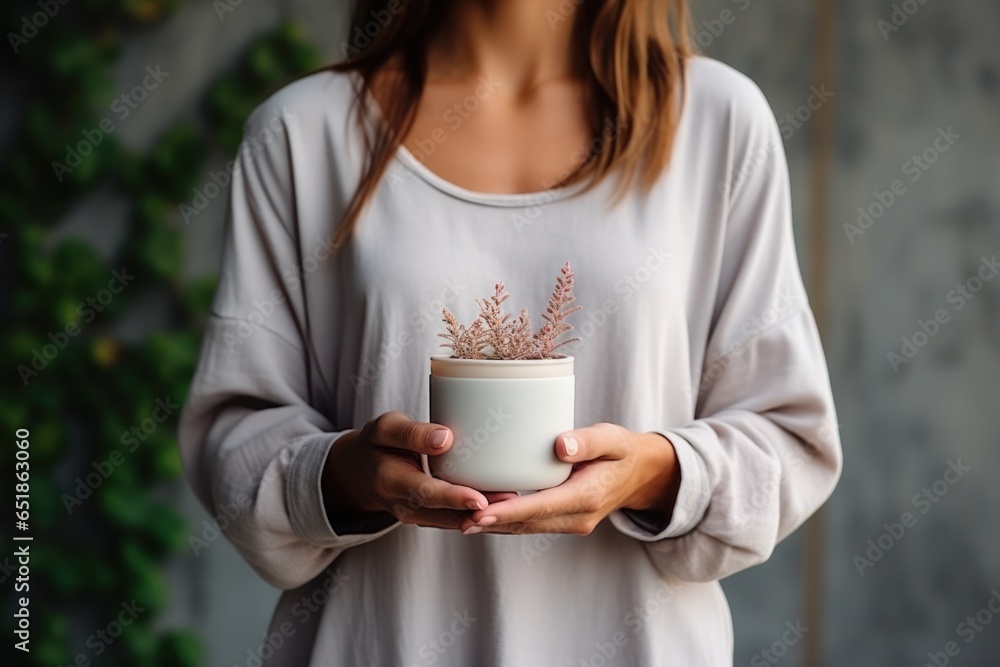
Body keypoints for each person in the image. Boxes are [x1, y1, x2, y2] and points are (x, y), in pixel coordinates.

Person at [179, 1, 843, 664]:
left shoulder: (715, 122)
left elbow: (786, 438)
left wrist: (653, 474)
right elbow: (234, 437)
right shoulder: (303, 133)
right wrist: (346, 476)